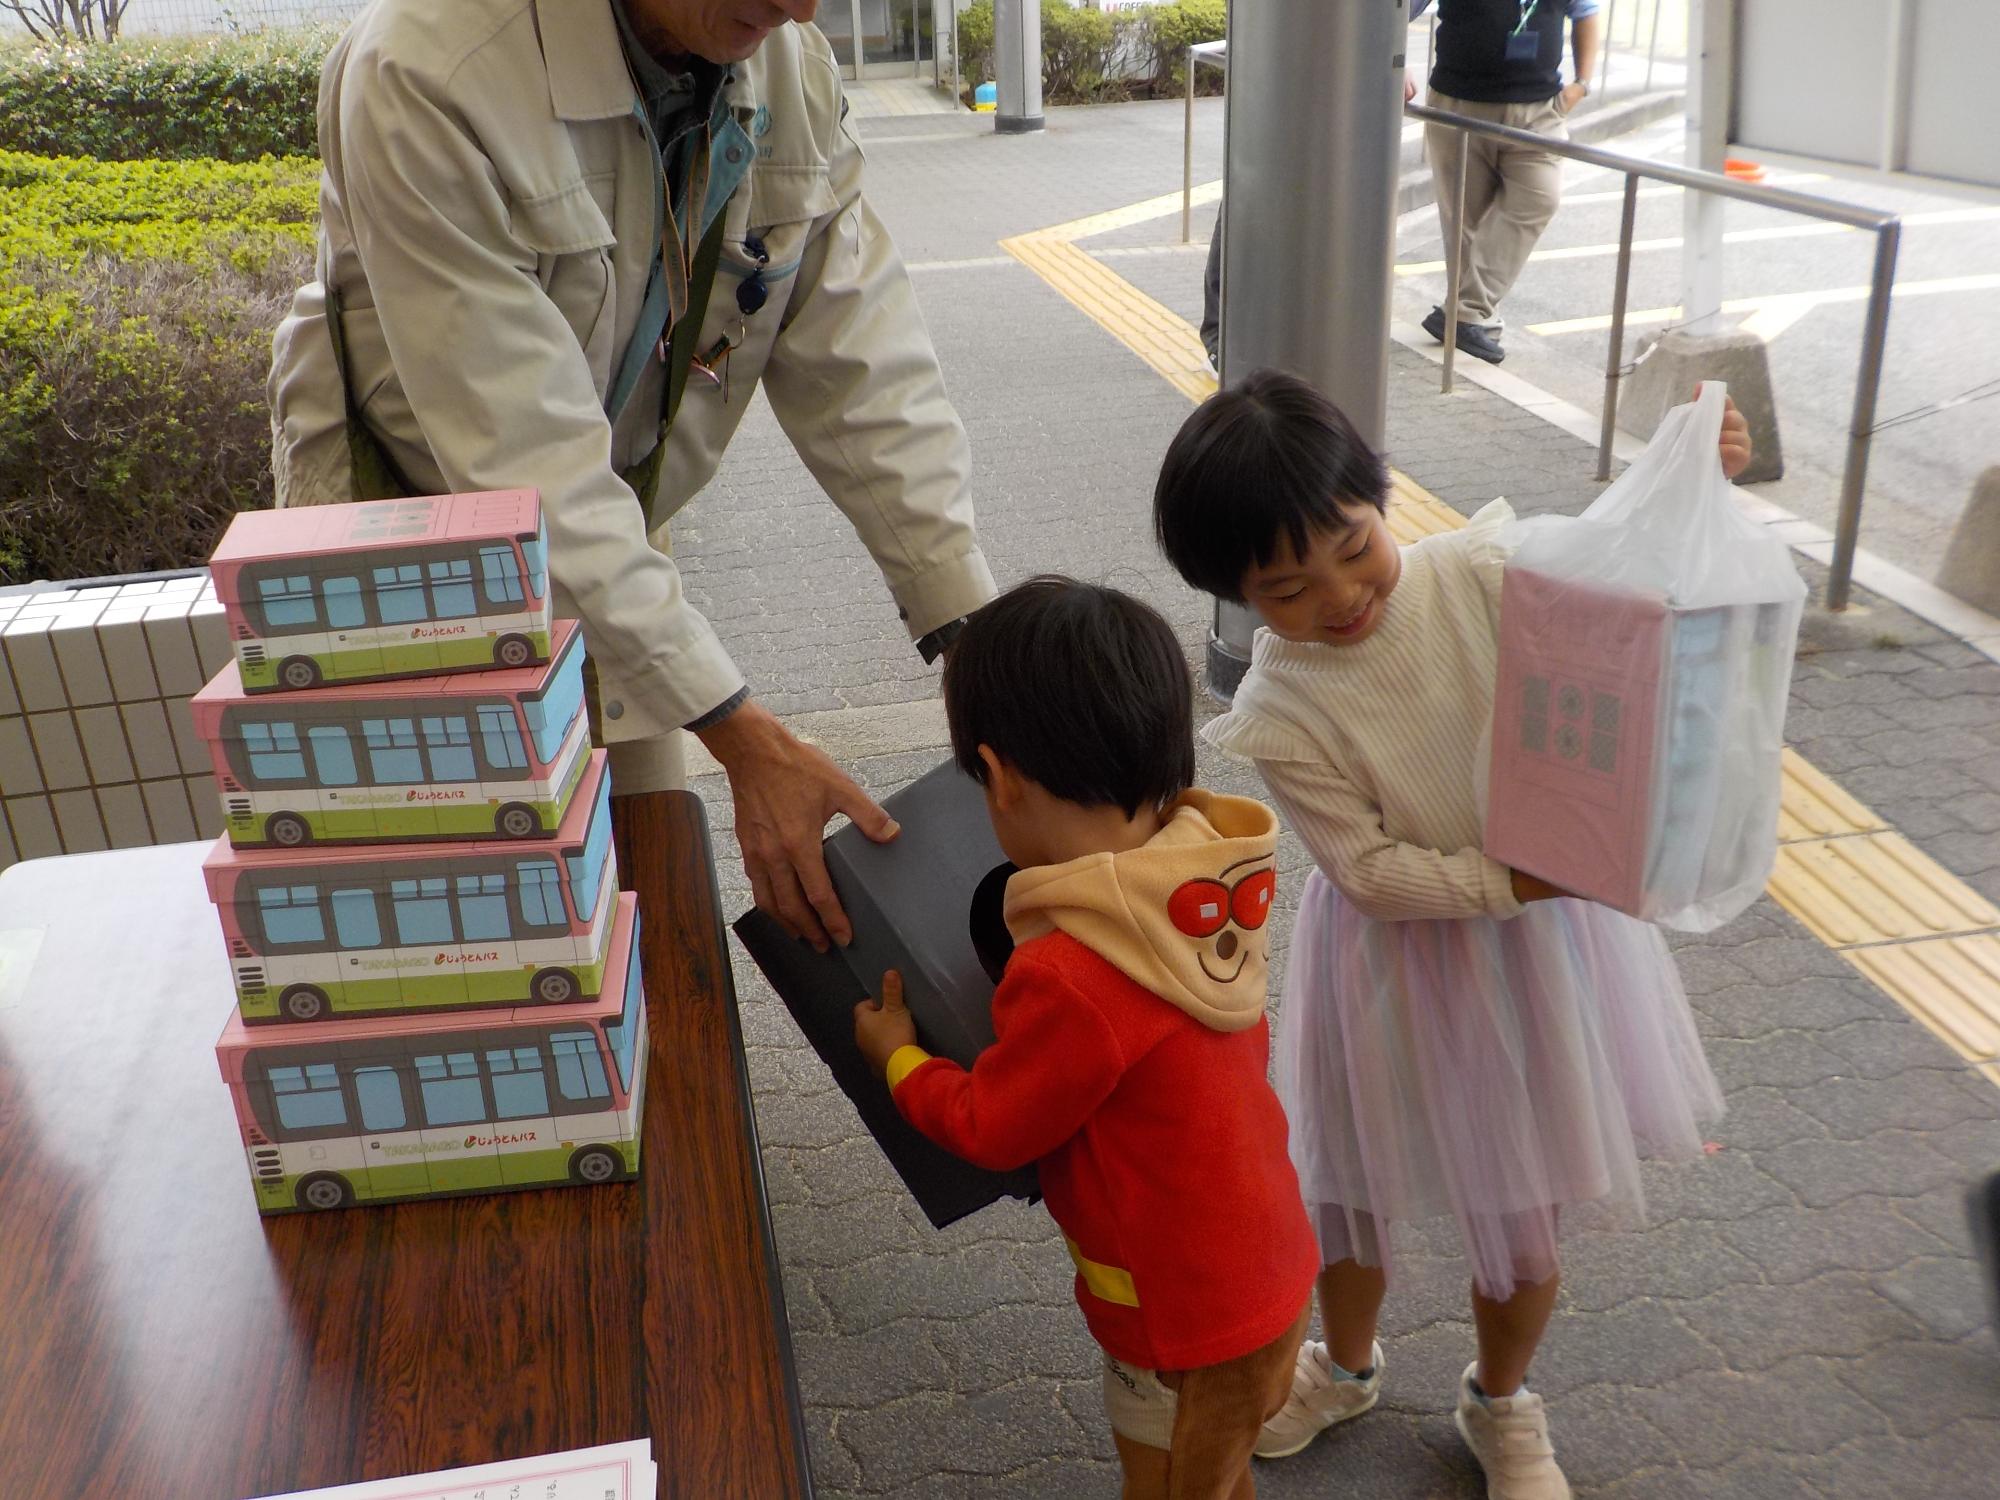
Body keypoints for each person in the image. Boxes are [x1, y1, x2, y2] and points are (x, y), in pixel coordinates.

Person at [267, 0, 995, 952]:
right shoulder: (429, 70)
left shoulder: (785, 63)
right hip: (411, 540)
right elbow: (523, 458)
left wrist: (974, 636)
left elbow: (864, 362)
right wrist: (745, 738)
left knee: (642, 894)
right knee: (458, 928)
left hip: (605, 518)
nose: (800, 8)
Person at [1152, 372, 1750, 1499]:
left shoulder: (1477, 569)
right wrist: (1511, 878)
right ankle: (1347, 1361)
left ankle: (1500, 1398)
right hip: (1389, 956)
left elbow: (1623, 561)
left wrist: (1693, 474)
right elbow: (1369, 871)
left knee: (1519, 1200)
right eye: (1284, 587)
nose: (1335, 595)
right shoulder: (1278, 712)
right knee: (1347, 1185)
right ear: (1233, 598)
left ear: (1380, 500)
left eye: (1350, 543)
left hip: (1538, 954)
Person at [852, 578, 1318, 1499]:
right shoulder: (1201, 890)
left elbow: (995, 1126)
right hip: (1267, 1273)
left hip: (1175, 1317)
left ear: (1003, 777)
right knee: (1216, 1476)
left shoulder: (1074, 972)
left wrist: (898, 1056)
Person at [1201, 0, 1431, 374]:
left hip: (1341, 88)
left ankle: (1297, 328)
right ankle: (1221, 333)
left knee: (1316, 210)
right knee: (1250, 195)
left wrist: (1391, 46)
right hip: (1280, 73)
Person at [1421, 0, 1602, 365]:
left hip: (1539, 109)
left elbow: (1585, 10)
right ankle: (1477, 322)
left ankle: (1466, 314)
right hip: (1458, 103)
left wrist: (1581, 84)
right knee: (1464, 221)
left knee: (1539, 198)